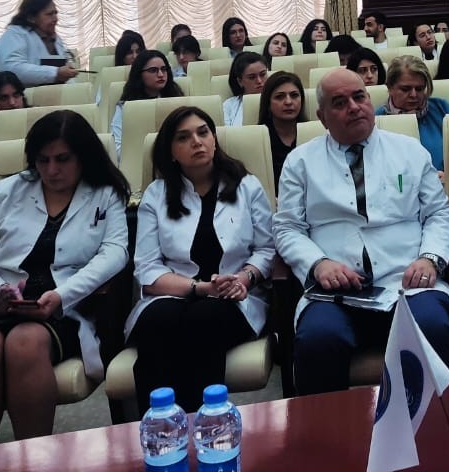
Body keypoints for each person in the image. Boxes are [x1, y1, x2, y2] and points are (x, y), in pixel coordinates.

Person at [0, 110, 129, 448]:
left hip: (61, 310)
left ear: (83, 157)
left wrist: (62, 295)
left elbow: (115, 253)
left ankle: (33, 459)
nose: (51, 170)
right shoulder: (6, 192)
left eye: (63, 159)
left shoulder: (104, 194)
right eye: (42, 160)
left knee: (26, 341)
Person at [273, 68, 449, 395]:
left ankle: (440, 425)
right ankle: (330, 429)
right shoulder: (300, 162)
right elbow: (287, 227)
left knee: (431, 326)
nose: (354, 107)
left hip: (407, 280)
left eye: (359, 97)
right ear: (322, 117)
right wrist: (318, 264)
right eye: (339, 103)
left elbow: (439, 213)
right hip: (334, 290)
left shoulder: (410, 150)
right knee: (319, 339)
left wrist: (430, 259)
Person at [125, 107, 275, 412]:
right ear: (170, 152)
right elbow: (148, 267)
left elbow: (267, 249)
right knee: (157, 322)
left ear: (214, 139)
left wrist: (244, 278)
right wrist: (199, 288)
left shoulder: (246, 185)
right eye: (183, 137)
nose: (197, 141)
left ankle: (204, 423)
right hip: (173, 293)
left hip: (235, 297)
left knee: (204, 318)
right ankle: (160, 427)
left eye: (203, 132)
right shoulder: (156, 194)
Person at [376, 55, 449, 172]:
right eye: (405, 89)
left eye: (419, 89)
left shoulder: (441, 109)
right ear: (390, 87)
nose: (413, 95)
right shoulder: (377, 120)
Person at [0, 0, 79, 87]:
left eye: (56, 13)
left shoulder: (54, 38)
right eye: (49, 14)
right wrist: (55, 73)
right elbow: (12, 69)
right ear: (31, 18)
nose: (56, 19)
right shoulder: (13, 35)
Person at [112, 50, 183, 152]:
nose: (161, 74)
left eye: (164, 69)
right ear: (139, 74)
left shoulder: (177, 100)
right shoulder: (126, 108)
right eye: (153, 70)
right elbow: (117, 147)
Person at [258, 72, 306, 179]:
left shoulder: (314, 134)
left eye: (294, 95)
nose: (288, 102)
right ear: (268, 103)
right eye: (279, 97)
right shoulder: (258, 140)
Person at [223, 51, 267, 127]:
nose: (259, 81)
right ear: (240, 81)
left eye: (263, 74)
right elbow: (226, 133)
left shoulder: (278, 100)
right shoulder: (229, 105)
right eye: (252, 77)